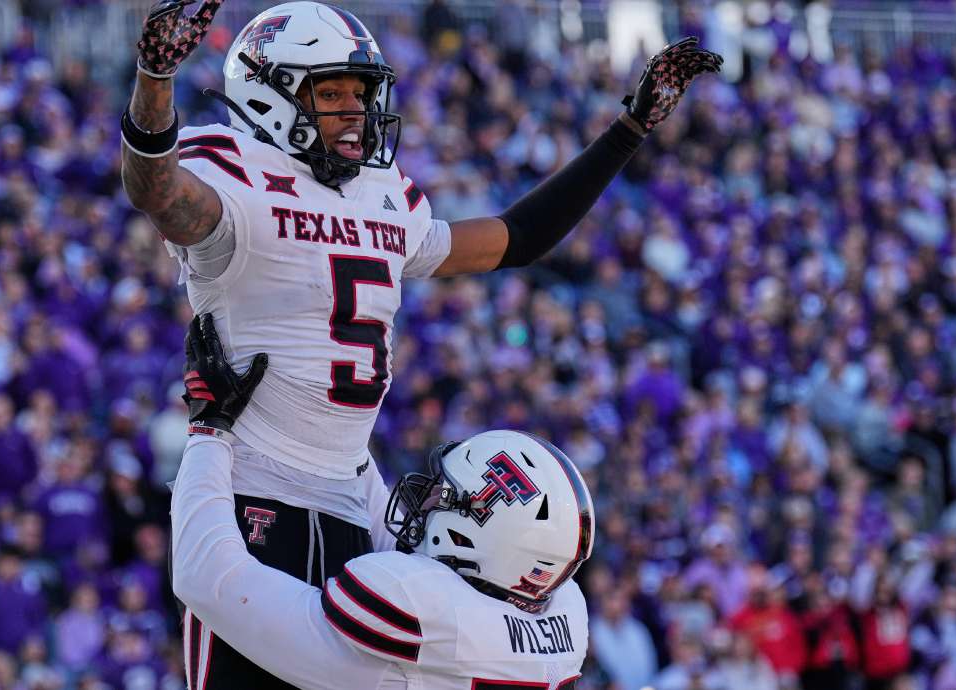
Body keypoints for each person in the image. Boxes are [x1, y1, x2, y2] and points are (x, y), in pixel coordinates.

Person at [122, 1, 718, 686]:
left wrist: (627, 131)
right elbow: (157, 189)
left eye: (361, 93)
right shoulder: (233, 168)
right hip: (248, 488)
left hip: (352, 502)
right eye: (333, 93)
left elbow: (515, 238)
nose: (355, 111)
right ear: (272, 92)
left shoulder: (383, 194)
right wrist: (154, 83)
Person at [170, 314, 595, 689]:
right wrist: (344, 438)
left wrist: (209, 429)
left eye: (444, 496)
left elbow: (207, 576)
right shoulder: (560, 619)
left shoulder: (419, 610)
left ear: (478, 537)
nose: (426, 497)